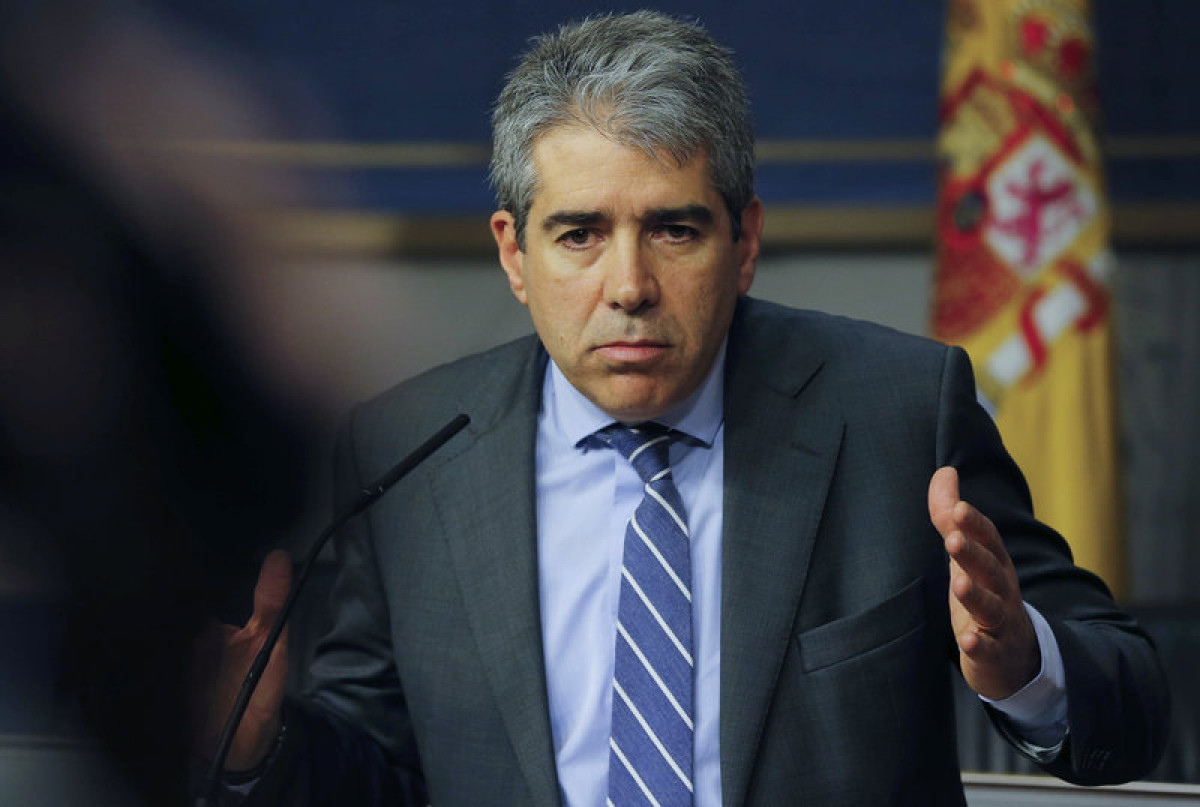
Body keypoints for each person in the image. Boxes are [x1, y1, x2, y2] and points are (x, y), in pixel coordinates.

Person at [206, 11, 1169, 806]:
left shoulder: (899, 413)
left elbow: (1133, 703)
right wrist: (256, 746)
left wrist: (1025, 663)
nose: (629, 285)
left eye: (673, 229)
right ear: (513, 253)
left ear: (744, 243)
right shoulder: (405, 452)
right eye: (579, 234)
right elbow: (378, 773)